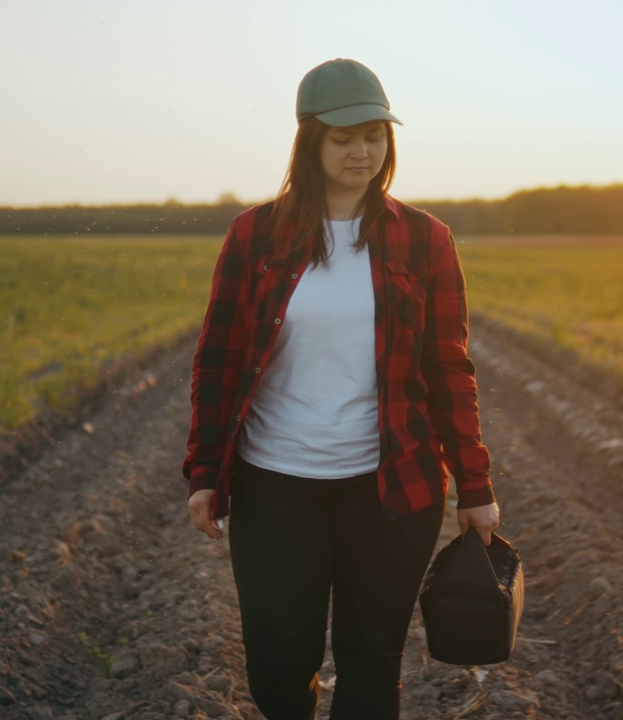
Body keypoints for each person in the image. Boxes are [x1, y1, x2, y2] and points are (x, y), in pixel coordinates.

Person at [183, 58, 500, 720]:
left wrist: (476, 487)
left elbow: (449, 369)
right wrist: (205, 473)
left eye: (375, 136)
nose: (363, 151)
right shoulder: (255, 235)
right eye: (344, 137)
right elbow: (218, 360)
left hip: (391, 487)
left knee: (371, 665)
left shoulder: (424, 240)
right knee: (277, 667)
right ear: (310, 142)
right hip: (275, 482)